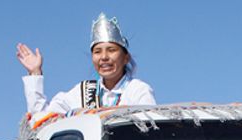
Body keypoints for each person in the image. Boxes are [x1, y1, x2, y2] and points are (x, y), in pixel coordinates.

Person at [17, 12, 156, 118]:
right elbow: (42, 120)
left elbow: (150, 126)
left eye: (111, 50)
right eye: (97, 52)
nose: (104, 57)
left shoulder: (138, 90)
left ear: (126, 58)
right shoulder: (81, 92)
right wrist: (35, 73)